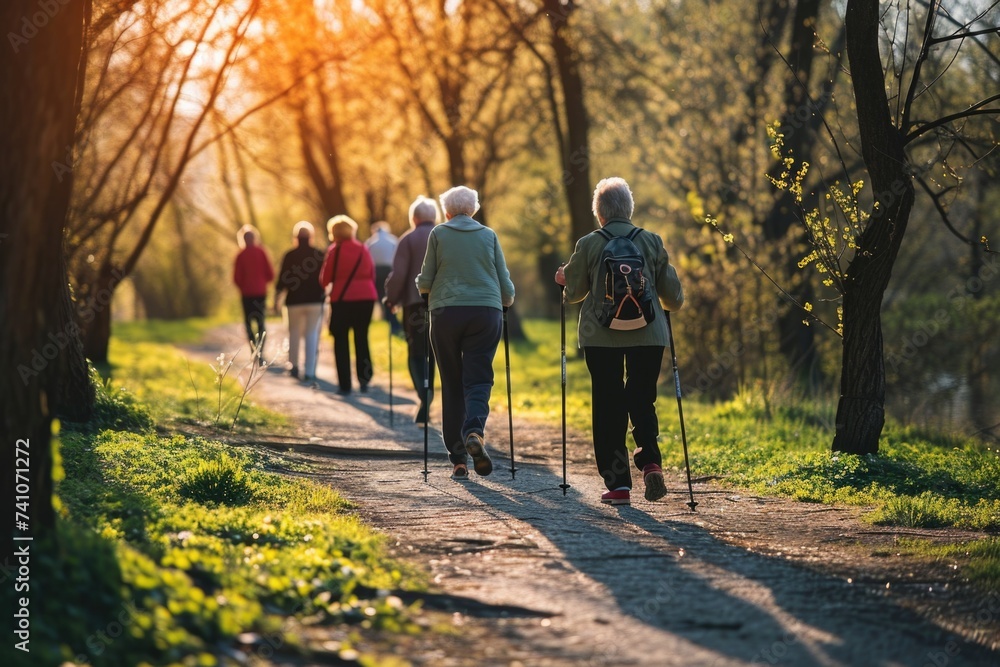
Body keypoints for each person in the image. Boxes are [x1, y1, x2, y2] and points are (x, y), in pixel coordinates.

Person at [554, 177, 684, 506]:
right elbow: (675, 299)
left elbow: (575, 294)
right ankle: (651, 461)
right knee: (642, 399)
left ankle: (619, 486)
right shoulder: (651, 241)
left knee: (609, 405)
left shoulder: (589, 243)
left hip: (601, 338)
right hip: (649, 335)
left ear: (600, 213)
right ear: (629, 209)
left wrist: (563, 280)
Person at [417, 186, 515, 480]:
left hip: (446, 313)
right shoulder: (489, 235)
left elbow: (426, 278)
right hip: (485, 312)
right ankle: (474, 429)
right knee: (479, 377)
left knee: (451, 381)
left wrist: (423, 289)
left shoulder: (438, 234)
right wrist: (506, 300)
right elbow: (504, 282)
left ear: (446, 211)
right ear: (473, 209)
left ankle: (458, 458)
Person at [384, 196, 439, 424]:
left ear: (414, 218)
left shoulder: (407, 240)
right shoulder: (443, 235)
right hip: (440, 303)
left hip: (413, 303)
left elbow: (399, 274)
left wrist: (391, 299)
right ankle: (429, 394)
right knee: (433, 351)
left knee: (416, 351)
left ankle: (423, 395)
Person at [320, 215, 378, 395]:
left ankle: (345, 384)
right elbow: (371, 272)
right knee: (362, 338)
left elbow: (324, 279)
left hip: (342, 300)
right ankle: (364, 379)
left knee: (341, 341)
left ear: (333, 233)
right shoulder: (362, 249)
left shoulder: (334, 251)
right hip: (365, 299)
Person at [275, 221, 326, 383]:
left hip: (294, 301)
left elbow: (282, 280)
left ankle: (294, 366)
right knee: (312, 334)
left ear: (296, 238)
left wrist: (276, 301)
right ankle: (310, 371)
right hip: (315, 301)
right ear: (311, 237)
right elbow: (325, 279)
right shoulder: (319, 254)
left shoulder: (290, 255)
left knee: (294, 333)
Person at [233, 224, 275, 364]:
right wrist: (262, 283)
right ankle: (260, 351)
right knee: (261, 322)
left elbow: (236, 278)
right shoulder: (262, 252)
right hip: (260, 293)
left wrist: (244, 286)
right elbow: (270, 274)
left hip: (247, 294)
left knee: (248, 322)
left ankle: (254, 351)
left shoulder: (240, 255)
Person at [365, 221, 404, 337]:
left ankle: (390, 319)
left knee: (382, 297)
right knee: (390, 296)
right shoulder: (393, 241)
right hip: (389, 270)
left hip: (376, 272)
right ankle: (393, 320)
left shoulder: (371, 242)